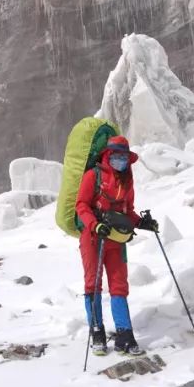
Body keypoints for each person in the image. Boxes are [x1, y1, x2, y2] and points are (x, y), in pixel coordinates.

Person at [75, 135, 159, 356]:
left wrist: (142, 222)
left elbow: (127, 212)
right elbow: (81, 205)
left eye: (124, 156)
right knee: (92, 285)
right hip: (93, 239)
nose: (120, 160)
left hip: (116, 240)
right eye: (117, 155)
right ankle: (97, 333)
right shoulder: (93, 176)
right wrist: (94, 225)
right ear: (108, 155)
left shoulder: (127, 182)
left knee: (119, 286)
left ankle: (124, 334)